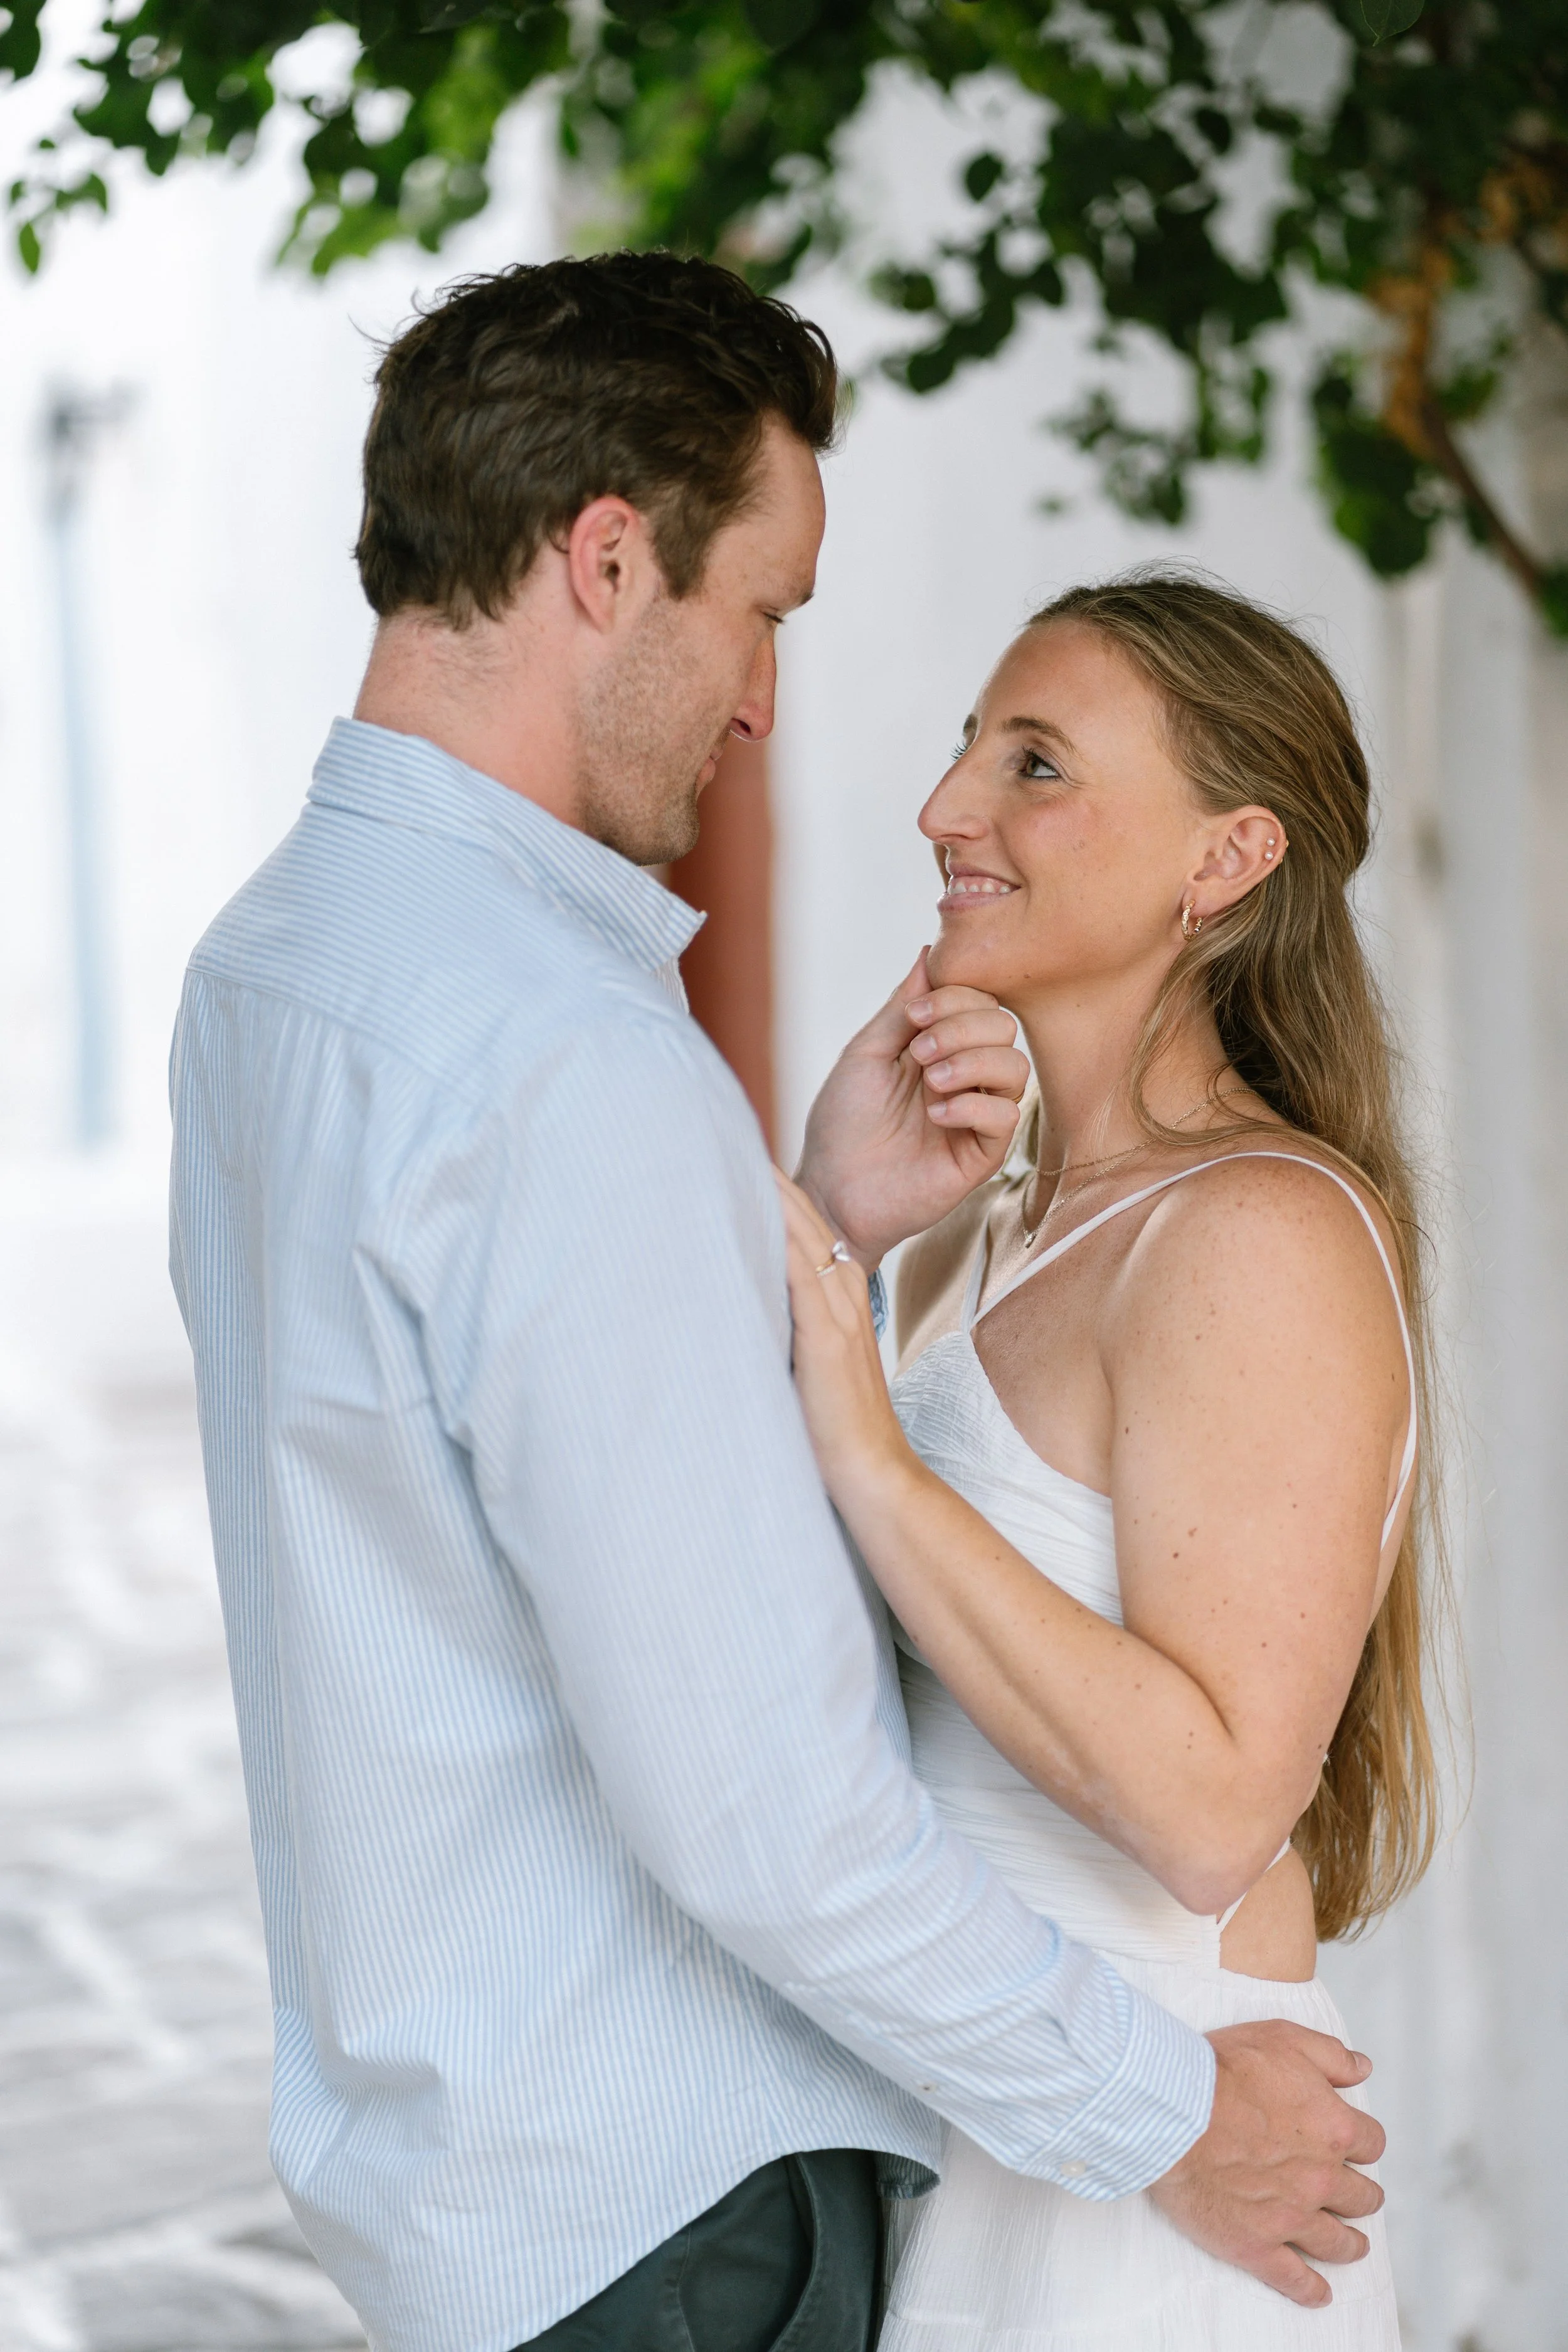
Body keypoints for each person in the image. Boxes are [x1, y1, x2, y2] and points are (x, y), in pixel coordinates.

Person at [169, 257, 1385, 2352]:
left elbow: (504, 1463)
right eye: (765, 612)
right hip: (674, 2207)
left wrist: (812, 1219)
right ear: (607, 556)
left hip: (494, 2189)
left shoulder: (277, 969)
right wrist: (1156, 2107)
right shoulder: (564, 1055)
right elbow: (757, 1807)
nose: (763, 702)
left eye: (1033, 764)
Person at [778, 571, 1441, 2348]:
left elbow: (1218, 1808)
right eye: (963, 752)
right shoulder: (985, 1225)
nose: (945, 812)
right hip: (1001, 2126)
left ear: (1224, 859)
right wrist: (841, 1225)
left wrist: (874, 1454)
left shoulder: (1254, 1231)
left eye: (1036, 764)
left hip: (1167, 2194)